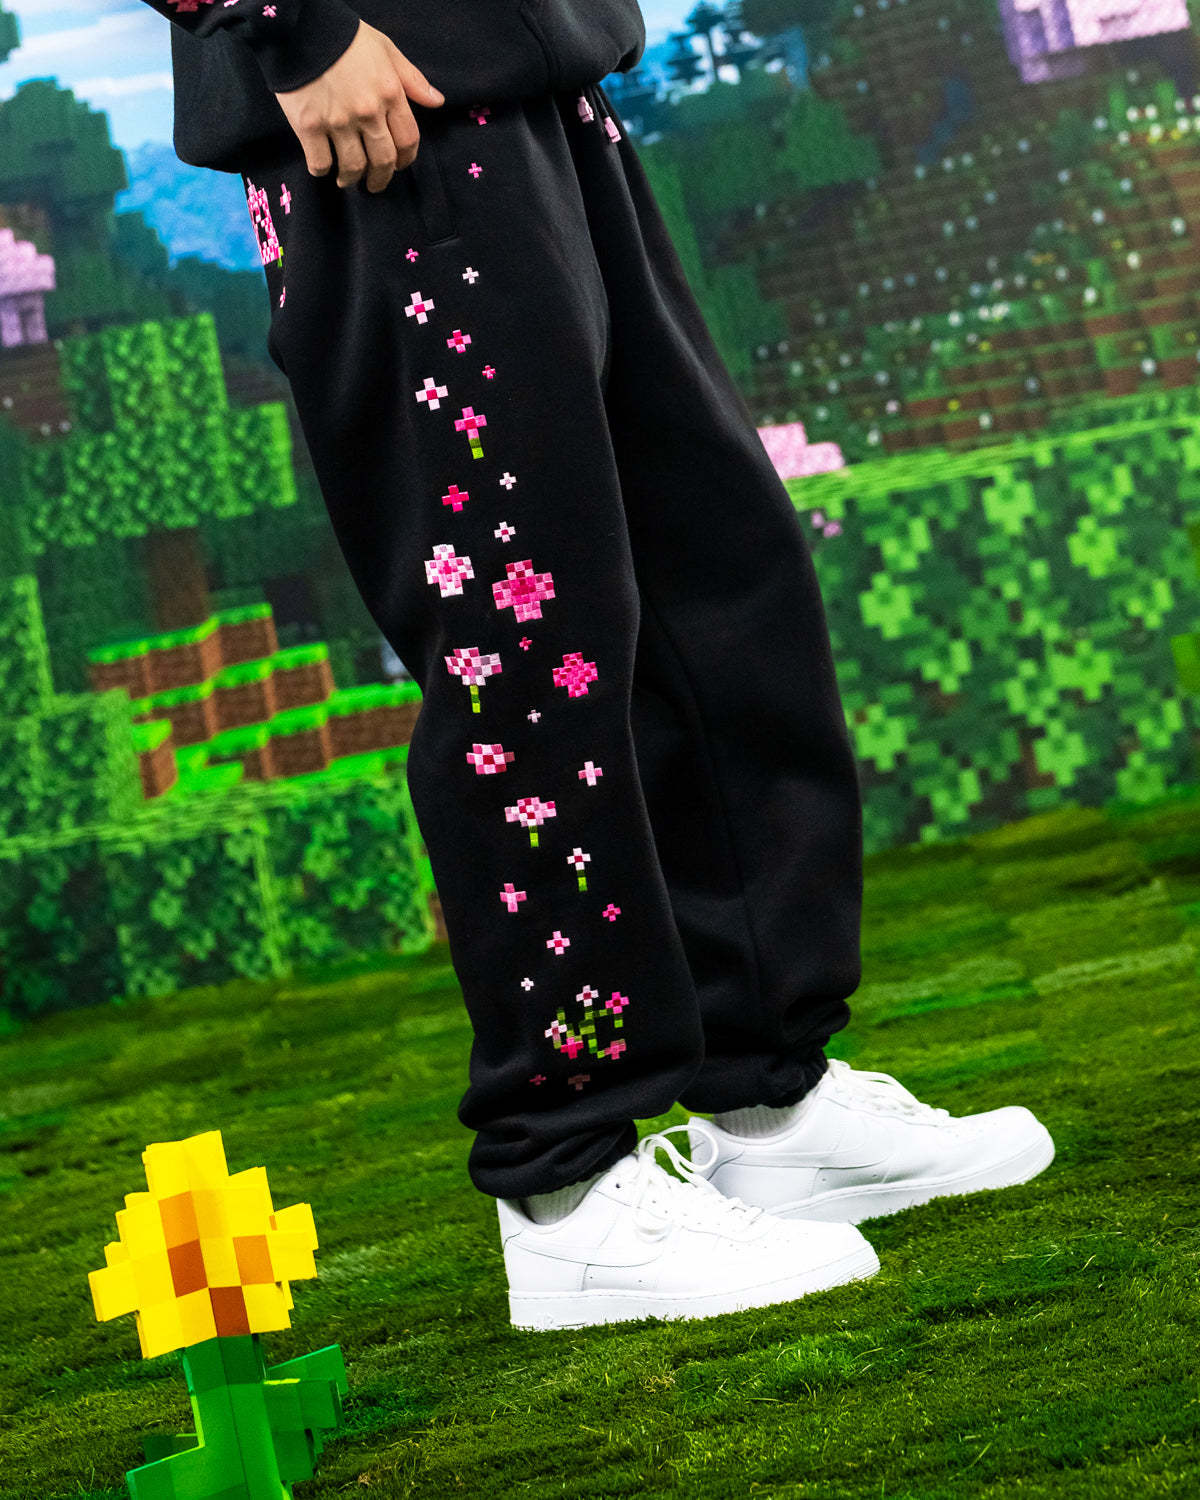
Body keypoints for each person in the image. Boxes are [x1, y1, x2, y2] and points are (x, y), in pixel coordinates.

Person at [138, 0, 1055, 1332]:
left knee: (716, 587)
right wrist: (291, 24)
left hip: (541, 83)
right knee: (522, 655)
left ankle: (773, 1104)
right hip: (383, 117)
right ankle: (567, 1191)